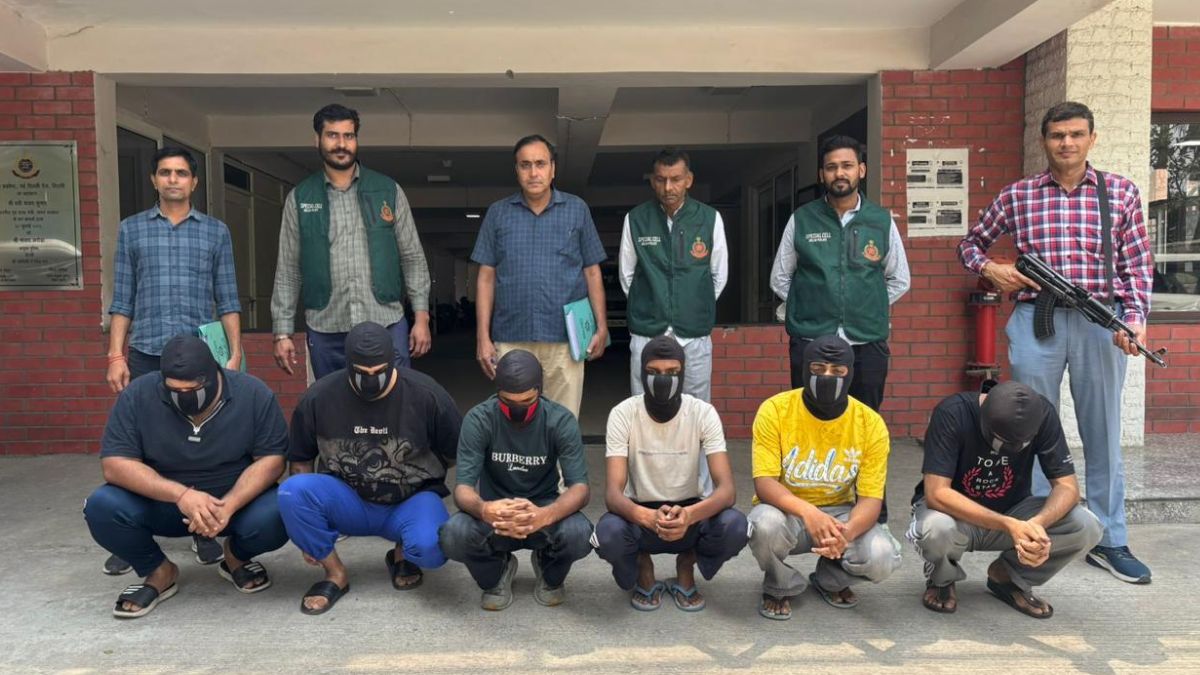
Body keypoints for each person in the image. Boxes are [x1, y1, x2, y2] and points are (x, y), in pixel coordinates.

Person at [958, 101, 1154, 584]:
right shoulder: (1019, 195)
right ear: (1044, 141)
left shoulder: (1120, 192)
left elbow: (1137, 265)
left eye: (1076, 134)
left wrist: (1134, 320)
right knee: (1026, 429)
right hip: (1035, 319)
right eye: (1058, 135)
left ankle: (1109, 538)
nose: (1067, 143)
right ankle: (1038, 531)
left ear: (1092, 138)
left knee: (1102, 431)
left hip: (1098, 322)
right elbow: (969, 244)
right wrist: (992, 268)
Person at [104, 146, 241, 574]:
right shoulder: (132, 230)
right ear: (154, 179)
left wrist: (234, 353)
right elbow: (122, 299)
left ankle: (203, 529)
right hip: (147, 353)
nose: (173, 180)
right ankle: (132, 534)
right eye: (165, 172)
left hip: (201, 358)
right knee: (140, 446)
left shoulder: (215, 232)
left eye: (181, 173)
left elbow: (228, 298)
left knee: (200, 443)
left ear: (194, 181)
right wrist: (115, 355)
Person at [83, 335, 289, 619]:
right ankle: (159, 571)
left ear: (214, 375)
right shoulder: (138, 394)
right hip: (164, 505)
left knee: (285, 508)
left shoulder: (252, 393)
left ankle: (236, 556)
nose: (184, 396)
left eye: (192, 389)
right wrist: (181, 495)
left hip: (232, 506)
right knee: (101, 506)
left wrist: (229, 505)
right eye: (174, 389)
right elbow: (115, 464)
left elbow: (272, 460)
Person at [769, 135, 910, 524]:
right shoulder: (802, 219)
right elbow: (781, 277)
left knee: (867, 426)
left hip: (867, 342)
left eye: (847, 166)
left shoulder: (880, 221)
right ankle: (810, 513)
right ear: (822, 174)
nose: (839, 173)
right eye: (831, 167)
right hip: (812, 342)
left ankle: (871, 515)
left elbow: (899, 279)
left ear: (861, 170)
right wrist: (813, 308)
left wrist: (863, 308)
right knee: (808, 425)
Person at [278, 322, 461, 615]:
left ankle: (402, 552)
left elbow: (456, 455)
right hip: (347, 500)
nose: (371, 380)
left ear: (393, 361)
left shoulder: (427, 395)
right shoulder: (319, 396)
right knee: (291, 492)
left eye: (379, 371)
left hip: (410, 500)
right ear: (348, 364)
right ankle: (335, 573)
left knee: (434, 550)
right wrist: (307, 531)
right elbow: (300, 460)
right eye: (362, 372)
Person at [907, 381, 1103, 619]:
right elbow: (937, 493)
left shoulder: (1043, 414)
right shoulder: (952, 413)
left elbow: (1067, 487)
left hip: (1014, 512)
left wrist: (1037, 525)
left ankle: (1009, 575)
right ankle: (941, 579)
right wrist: (1008, 524)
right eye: (1002, 441)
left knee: (1086, 525)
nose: (1012, 449)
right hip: (956, 518)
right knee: (935, 528)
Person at [271, 103, 432, 380]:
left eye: (349, 135)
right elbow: (288, 270)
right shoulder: (300, 198)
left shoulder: (388, 191)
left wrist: (421, 317)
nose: (341, 144)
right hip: (326, 329)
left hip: (386, 323)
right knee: (333, 402)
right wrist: (282, 332)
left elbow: (412, 257)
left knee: (397, 398)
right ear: (317, 140)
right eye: (332, 135)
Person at [747, 335, 901, 620]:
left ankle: (831, 578)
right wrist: (808, 512)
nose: (827, 377)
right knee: (763, 525)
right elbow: (765, 482)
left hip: (840, 515)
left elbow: (870, 500)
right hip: (788, 512)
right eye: (818, 369)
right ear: (805, 369)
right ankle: (779, 583)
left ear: (850, 373)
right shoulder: (776, 410)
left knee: (883, 557)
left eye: (837, 371)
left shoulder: (870, 423)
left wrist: (847, 534)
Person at [593, 336, 746, 612]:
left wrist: (689, 515)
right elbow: (613, 494)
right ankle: (642, 564)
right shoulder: (623, 413)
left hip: (690, 512)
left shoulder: (702, 413)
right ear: (641, 373)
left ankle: (687, 562)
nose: (663, 380)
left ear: (684, 373)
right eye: (653, 372)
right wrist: (646, 517)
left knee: (736, 525)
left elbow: (727, 491)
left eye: (672, 372)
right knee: (607, 533)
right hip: (640, 514)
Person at [439, 350, 593, 610]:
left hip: (543, 507)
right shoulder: (479, 419)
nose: (518, 409)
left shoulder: (559, 420)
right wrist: (485, 510)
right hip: (495, 511)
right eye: (508, 401)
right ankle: (496, 572)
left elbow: (580, 488)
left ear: (540, 390)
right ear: (497, 391)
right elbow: (463, 489)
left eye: (527, 400)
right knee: (453, 535)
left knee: (580, 534)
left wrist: (545, 515)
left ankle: (548, 568)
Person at [470, 134, 608, 417]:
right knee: (514, 419)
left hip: (565, 339)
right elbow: (485, 277)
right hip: (512, 337)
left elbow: (592, 271)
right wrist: (482, 336)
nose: (533, 173)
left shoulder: (577, 210)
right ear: (517, 170)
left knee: (563, 419)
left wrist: (601, 326)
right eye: (525, 165)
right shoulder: (498, 214)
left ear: (553, 169)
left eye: (540, 164)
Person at [619, 148, 728, 401]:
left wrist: (691, 304)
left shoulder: (709, 218)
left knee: (696, 403)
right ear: (653, 181)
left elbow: (718, 274)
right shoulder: (636, 219)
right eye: (661, 179)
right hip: (647, 330)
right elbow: (627, 275)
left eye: (676, 179)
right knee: (643, 401)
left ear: (688, 180)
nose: (668, 187)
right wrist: (650, 305)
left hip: (694, 330)